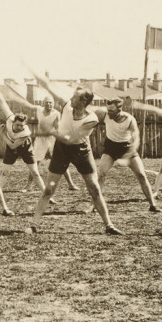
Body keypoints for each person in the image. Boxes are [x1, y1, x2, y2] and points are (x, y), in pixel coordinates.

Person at [25, 72, 122, 235]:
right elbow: (50, 87)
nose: (71, 98)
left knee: (94, 189)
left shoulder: (91, 119)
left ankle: (109, 225)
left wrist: (51, 131)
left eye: (75, 97)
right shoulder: (67, 106)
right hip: (61, 150)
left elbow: (70, 139)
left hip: (81, 151)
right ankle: (33, 224)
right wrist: (36, 74)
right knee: (49, 190)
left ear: (83, 101)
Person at [93, 97, 159, 212]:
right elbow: (89, 111)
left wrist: (128, 156)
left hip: (127, 148)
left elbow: (136, 138)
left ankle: (152, 205)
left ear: (119, 110)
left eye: (112, 111)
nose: (109, 113)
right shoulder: (105, 115)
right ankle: (93, 205)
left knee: (141, 175)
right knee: (101, 175)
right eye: (108, 110)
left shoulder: (129, 119)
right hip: (110, 149)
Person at [0, 85, 50, 200]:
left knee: (35, 173)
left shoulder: (25, 133)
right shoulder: (10, 118)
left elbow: (12, 145)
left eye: (22, 125)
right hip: (11, 146)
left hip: (25, 148)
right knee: (5, 173)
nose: (20, 127)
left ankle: (47, 196)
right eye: (18, 125)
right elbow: (2, 102)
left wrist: (2, 134)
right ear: (13, 122)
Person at [28, 96, 81, 192]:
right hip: (40, 139)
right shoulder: (39, 110)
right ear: (43, 103)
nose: (48, 104)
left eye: (50, 102)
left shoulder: (56, 113)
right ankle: (28, 186)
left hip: (52, 138)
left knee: (60, 161)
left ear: (53, 103)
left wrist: (47, 132)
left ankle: (71, 184)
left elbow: (57, 129)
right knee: (35, 161)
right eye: (46, 102)